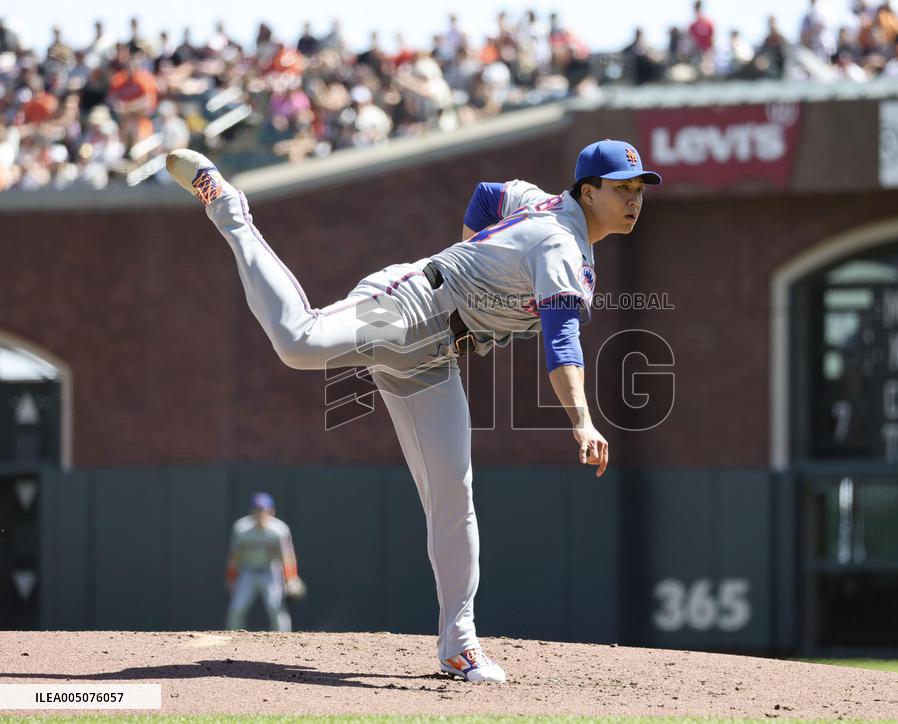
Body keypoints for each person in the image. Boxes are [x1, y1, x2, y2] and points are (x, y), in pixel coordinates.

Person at [164, 138, 660, 682]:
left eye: (637, 188)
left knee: (453, 492)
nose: (634, 198)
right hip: (408, 309)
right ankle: (231, 211)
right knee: (298, 342)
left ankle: (459, 644)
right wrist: (582, 421)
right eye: (621, 188)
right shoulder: (560, 246)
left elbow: (488, 194)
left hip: (435, 355)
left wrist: (476, 254)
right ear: (588, 192)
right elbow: (562, 343)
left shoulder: (540, 204)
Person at [225, 492, 302, 632]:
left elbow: (288, 557)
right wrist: (231, 578)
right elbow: (235, 556)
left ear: (271, 511)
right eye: (257, 509)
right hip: (248, 571)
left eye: (263, 509)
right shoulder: (241, 529)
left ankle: (284, 642)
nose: (260, 513)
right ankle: (232, 640)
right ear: (251, 511)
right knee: (237, 609)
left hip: (270, 572)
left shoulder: (279, 530)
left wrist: (291, 579)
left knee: (276, 608)